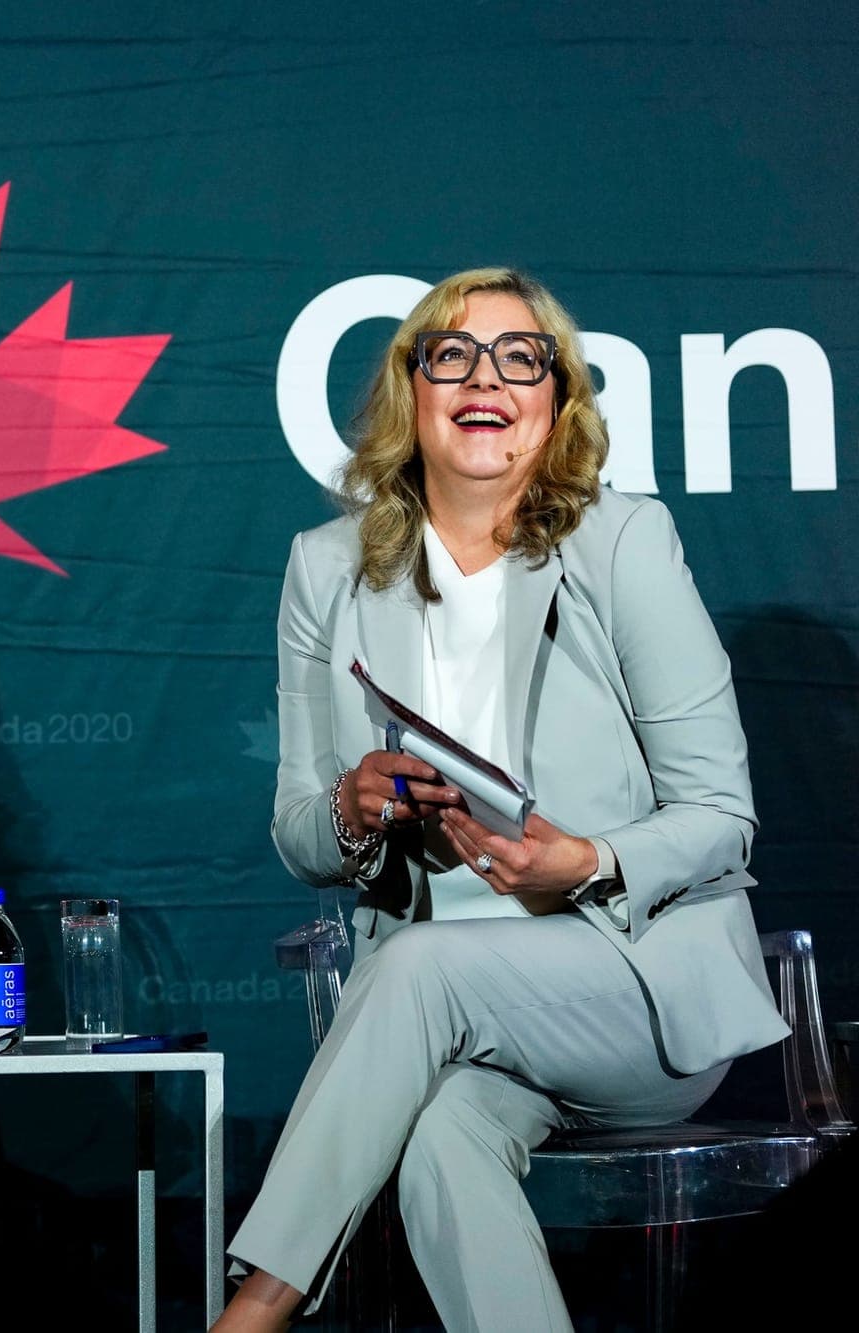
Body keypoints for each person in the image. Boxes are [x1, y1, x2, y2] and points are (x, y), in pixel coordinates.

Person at [215, 268, 788, 1332]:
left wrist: (588, 861)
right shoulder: (325, 567)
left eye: (520, 357)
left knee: (416, 965)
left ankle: (253, 1308)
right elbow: (299, 833)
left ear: (556, 400)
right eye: (452, 354)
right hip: (449, 1028)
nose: (486, 378)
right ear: (410, 388)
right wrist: (352, 806)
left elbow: (720, 812)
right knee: (439, 1139)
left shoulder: (619, 542)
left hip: (633, 984)